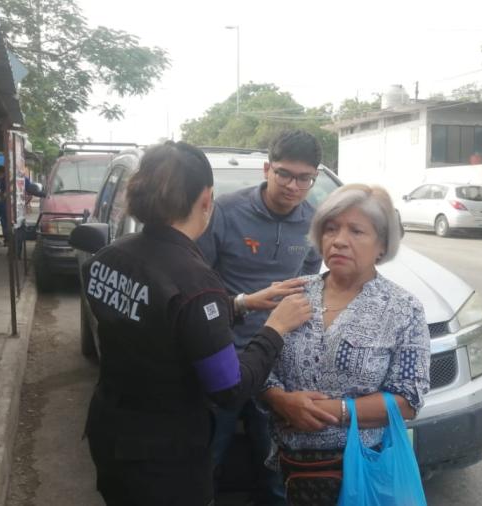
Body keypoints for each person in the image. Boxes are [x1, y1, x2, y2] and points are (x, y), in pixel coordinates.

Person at [81, 141, 312, 506]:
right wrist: (275, 329)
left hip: (110, 431)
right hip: (165, 457)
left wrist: (240, 304)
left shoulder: (109, 257)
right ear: (207, 200)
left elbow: (160, 320)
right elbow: (229, 389)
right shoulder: (194, 282)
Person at [260, 184, 432, 505]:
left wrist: (332, 411)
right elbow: (262, 367)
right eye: (331, 228)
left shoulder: (402, 308)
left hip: (361, 471)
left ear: (381, 244)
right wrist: (280, 400)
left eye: (356, 231)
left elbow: (409, 399)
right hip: (292, 469)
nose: (339, 240)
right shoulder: (294, 293)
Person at [197, 130, 324, 505]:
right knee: (208, 458)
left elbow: (310, 279)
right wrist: (241, 303)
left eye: (304, 178)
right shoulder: (226, 211)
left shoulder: (314, 223)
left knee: (275, 466)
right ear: (267, 168)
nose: (293, 185)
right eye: (284, 173)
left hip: (277, 360)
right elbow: (195, 281)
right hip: (225, 355)